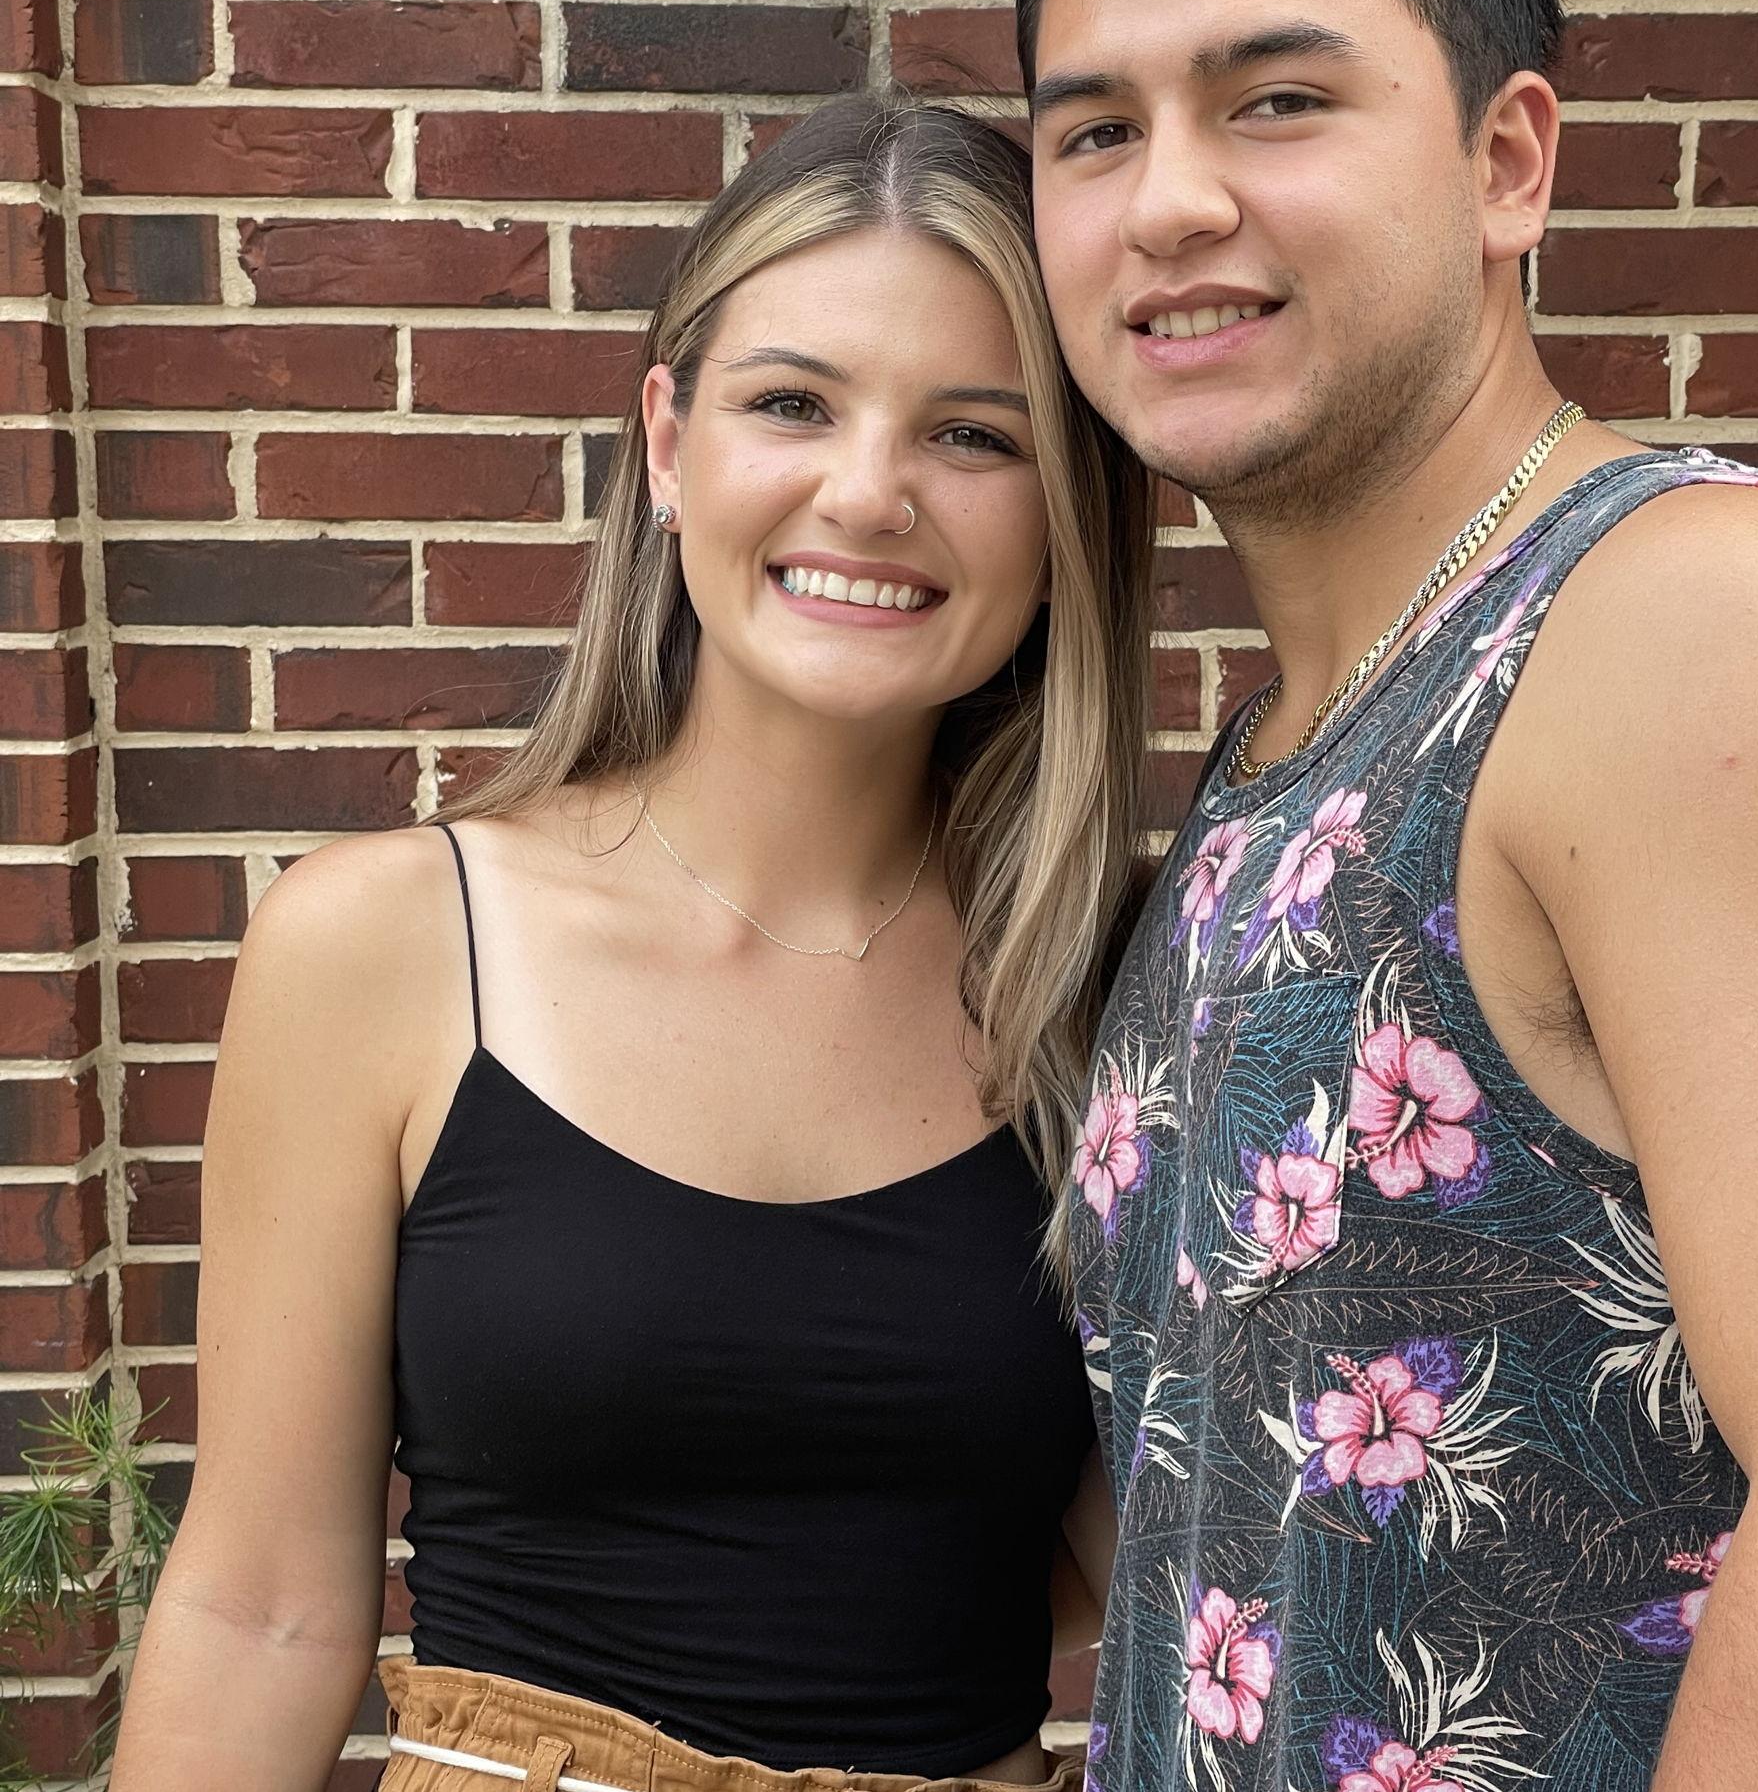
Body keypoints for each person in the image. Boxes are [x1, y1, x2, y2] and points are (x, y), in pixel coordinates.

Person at [1004, 0, 1758, 1789]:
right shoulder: (1280, 752)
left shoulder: (1691, 631)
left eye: (1275, 99)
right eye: (1095, 129)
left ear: (1508, 163)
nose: (1172, 199)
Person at [109, 97, 1151, 1792]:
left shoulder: (1122, 983)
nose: (868, 493)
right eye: (791, 404)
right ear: (668, 443)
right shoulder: (384, 947)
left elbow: (1166, 1559)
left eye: (976, 435)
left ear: (1068, 511)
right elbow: (260, 1613)